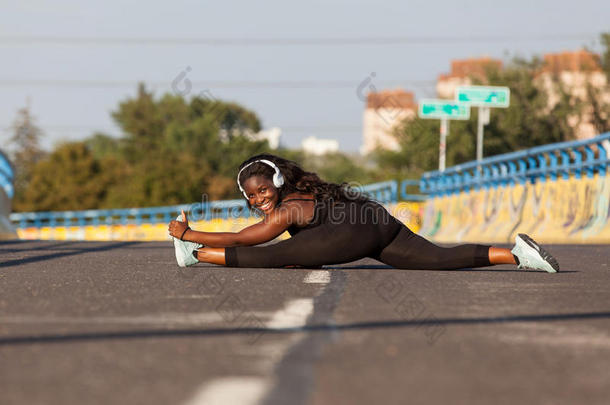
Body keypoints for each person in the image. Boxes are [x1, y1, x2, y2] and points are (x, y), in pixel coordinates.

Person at [167, 154, 559, 273]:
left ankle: (194, 257)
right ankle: (518, 253)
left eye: (263, 191)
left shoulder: (288, 209)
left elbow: (244, 238)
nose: (258, 200)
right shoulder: (306, 191)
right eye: (252, 196)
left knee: (274, 255)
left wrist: (189, 235)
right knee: (438, 258)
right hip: (376, 222)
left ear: (276, 183)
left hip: (351, 233)